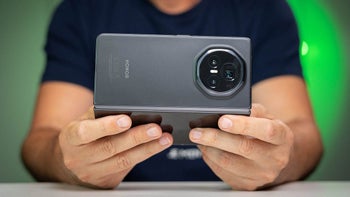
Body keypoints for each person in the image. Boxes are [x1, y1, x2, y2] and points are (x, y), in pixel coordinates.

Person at [21, 0, 323, 191]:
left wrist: (281, 159)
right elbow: (41, 139)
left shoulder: (265, 9)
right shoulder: (80, 11)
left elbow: (302, 131)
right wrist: (68, 161)